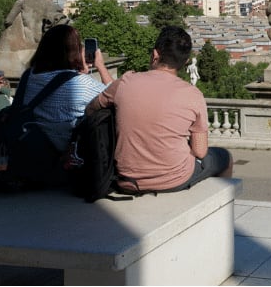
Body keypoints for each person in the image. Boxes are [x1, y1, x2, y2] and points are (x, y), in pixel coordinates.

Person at [86, 26, 233, 193]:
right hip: (173, 179)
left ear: (155, 54)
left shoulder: (125, 82)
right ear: (185, 62)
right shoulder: (193, 95)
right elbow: (200, 151)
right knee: (224, 157)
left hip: (125, 179)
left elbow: (91, 108)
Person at [21, 24, 113, 153]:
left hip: (32, 149)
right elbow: (114, 94)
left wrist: (79, 71)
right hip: (67, 159)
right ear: (74, 51)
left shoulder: (28, 77)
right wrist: (101, 66)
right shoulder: (81, 85)